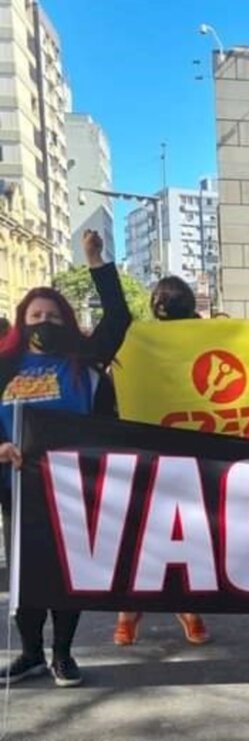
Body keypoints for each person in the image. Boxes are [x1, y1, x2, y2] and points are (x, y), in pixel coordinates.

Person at [0, 230, 131, 687]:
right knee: (25, 573)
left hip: (74, 485)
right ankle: (31, 653)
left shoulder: (88, 358)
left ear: (66, 321)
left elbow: (118, 316)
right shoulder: (5, 366)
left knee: (66, 570)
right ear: (22, 320)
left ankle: (62, 654)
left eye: (53, 315)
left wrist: (95, 260)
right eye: (36, 315)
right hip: (17, 486)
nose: (44, 321)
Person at [114, 277, 210, 647]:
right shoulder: (139, 340)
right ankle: (128, 610)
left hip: (191, 450)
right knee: (139, 533)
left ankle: (188, 609)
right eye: (158, 298)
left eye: (168, 298)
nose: (162, 304)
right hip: (145, 449)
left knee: (189, 535)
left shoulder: (207, 338)